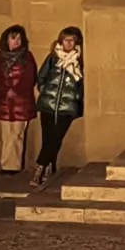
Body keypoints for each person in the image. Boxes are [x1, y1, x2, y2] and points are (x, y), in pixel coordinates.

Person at [32, 25, 84, 188]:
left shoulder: (79, 61)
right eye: (66, 40)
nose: (69, 43)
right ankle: (49, 167)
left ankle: (40, 166)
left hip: (66, 107)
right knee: (48, 137)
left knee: (56, 137)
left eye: (72, 40)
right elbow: (42, 77)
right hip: (48, 104)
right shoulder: (53, 58)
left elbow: (81, 84)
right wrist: (44, 91)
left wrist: (77, 97)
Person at [0, 26, 37, 175]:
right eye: (13, 38)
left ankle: (13, 166)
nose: (16, 42)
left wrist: (15, 91)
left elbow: (30, 78)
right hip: (4, 101)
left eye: (19, 39)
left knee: (17, 134)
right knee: (6, 134)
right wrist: (5, 90)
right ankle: (5, 163)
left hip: (21, 103)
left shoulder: (27, 57)